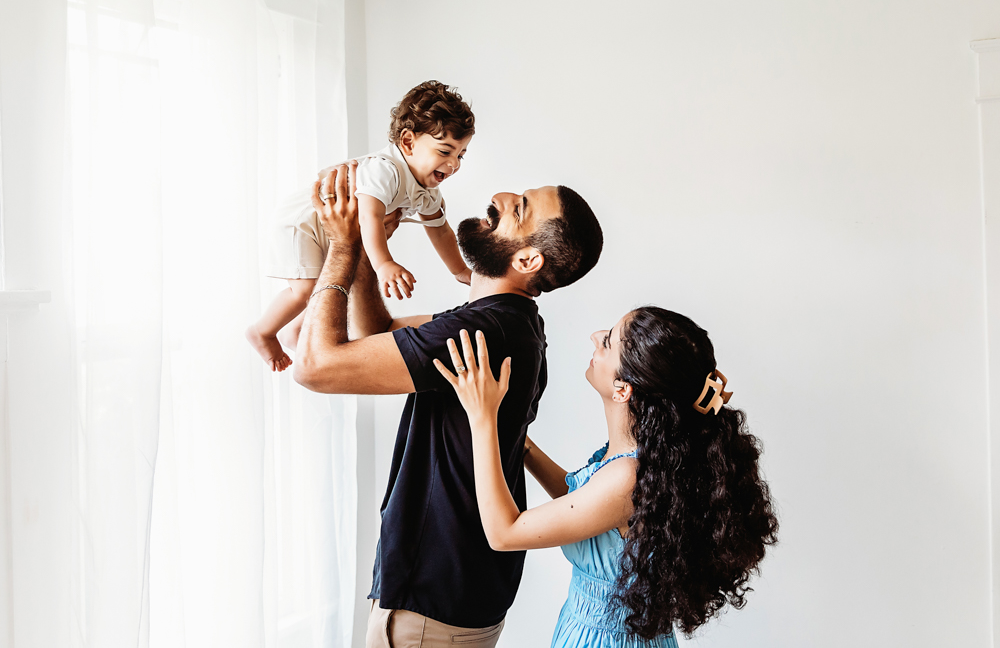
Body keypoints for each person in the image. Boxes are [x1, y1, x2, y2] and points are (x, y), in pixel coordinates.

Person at [293, 161, 604, 647]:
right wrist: (364, 256)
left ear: (527, 261)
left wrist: (342, 246)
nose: (500, 197)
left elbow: (315, 366)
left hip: (431, 605)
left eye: (518, 209)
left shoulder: (487, 330)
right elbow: (377, 336)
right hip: (457, 591)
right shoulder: (503, 323)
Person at [434, 308, 779, 647]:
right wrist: (518, 441)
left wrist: (481, 418)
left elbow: (504, 533)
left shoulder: (628, 478)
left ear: (622, 389)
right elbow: (583, 504)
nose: (595, 336)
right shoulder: (641, 461)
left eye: (609, 342)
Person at [246, 80, 475, 372]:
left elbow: (440, 230)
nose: (454, 164)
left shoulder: (428, 191)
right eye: (445, 152)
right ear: (408, 142)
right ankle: (262, 331)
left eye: (460, 155)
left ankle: (294, 331)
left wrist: (460, 271)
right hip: (302, 222)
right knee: (304, 290)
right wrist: (384, 264)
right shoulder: (386, 169)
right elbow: (369, 217)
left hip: (332, 229)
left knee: (326, 286)